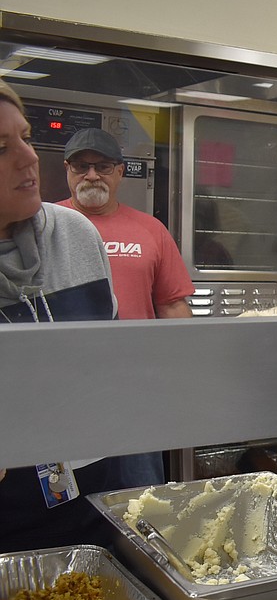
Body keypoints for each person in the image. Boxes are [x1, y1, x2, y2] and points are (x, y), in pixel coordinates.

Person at [0, 80, 123, 552]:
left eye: (26, 137)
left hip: (91, 501)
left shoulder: (76, 235)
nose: (29, 158)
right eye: (1, 147)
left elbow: (109, 365)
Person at [55, 127, 194, 488]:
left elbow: (172, 308)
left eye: (102, 166)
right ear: (67, 171)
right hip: (62, 398)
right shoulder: (43, 227)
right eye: (80, 166)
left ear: (120, 172)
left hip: (136, 395)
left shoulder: (151, 231)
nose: (91, 175)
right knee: (67, 506)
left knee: (140, 499)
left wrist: (186, 383)